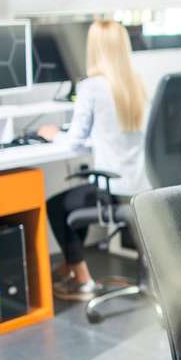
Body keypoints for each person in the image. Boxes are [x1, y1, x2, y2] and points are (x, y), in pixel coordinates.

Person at [38, 20, 150, 301]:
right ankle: (69, 266)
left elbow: (74, 141)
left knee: (57, 205)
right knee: (80, 200)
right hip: (139, 188)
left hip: (111, 190)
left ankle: (83, 280)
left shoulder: (91, 87)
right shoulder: (135, 83)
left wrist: (53, 135)